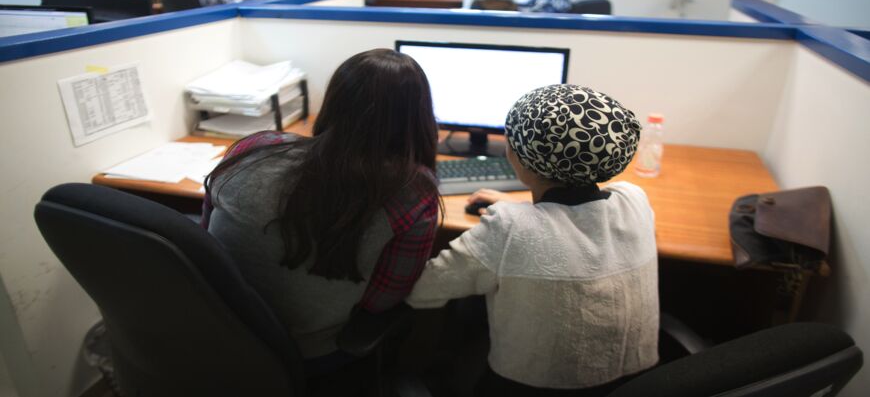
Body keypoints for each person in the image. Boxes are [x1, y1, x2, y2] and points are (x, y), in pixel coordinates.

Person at [407, 84, 658, 396]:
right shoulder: (634, 199)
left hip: (529, 388)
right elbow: (576, 211)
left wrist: (516, 213)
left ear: (518, 158)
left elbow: (421, 291)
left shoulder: (509, 227)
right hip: (635, 382)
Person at [202, 49, 441, 374]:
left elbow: (203, 236)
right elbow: (379, 302)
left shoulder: (252, 148)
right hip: (304, 353)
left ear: (333, 101)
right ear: (418, 118)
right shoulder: (413, 191)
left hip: (213, 330)